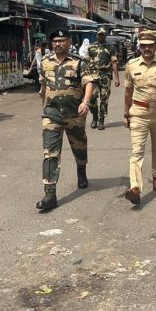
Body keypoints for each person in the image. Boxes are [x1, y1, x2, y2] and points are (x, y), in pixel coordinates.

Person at [36, 28, 94, 211]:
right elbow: (43, 85)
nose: (57, 44)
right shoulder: (45, 63)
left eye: (61, 40)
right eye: (54, 41)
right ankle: (50, 193)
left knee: (79, 147)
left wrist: (86, 102)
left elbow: (89, 82)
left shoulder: (78, 62)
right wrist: (43, 107)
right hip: (51, 114)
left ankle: (81, 170)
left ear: (69, 42)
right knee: (50, 153)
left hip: (74, 114)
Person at [122, 32, 156, 205]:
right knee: (137, 150)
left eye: (150, 45)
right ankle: (135, 187)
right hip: (138, 112)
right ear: (139, 46)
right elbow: (128, 92)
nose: (146, 48)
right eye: (143, 45)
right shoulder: (131, 65)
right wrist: (126, 113)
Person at [87, 28, 121, 130]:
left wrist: (116, 78)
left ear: (105, 36)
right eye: (99, 35)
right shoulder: (91, 47)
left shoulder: (110, 48)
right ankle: (94, 117)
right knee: (92, 98)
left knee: (104, 98)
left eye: (103, 35)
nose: (101, 36)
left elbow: (114, 63)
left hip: (105, 75)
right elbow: (86, 62)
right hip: (93, 76)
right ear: (97, 35)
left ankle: (101, 120)